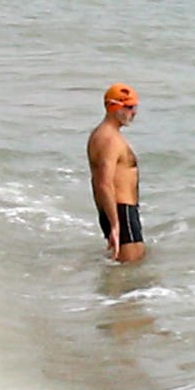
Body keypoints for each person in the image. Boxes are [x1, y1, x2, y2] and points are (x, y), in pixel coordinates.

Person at [87, 84, 145, 263]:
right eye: (129, 107)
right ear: (114, 107)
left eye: (134, 107)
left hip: (120, 211)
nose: (134, 112)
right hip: (121, 211)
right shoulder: (109, 139)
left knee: (129, 270)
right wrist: (115, 225)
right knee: (131, 269)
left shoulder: (104, 135)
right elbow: (103, 183)